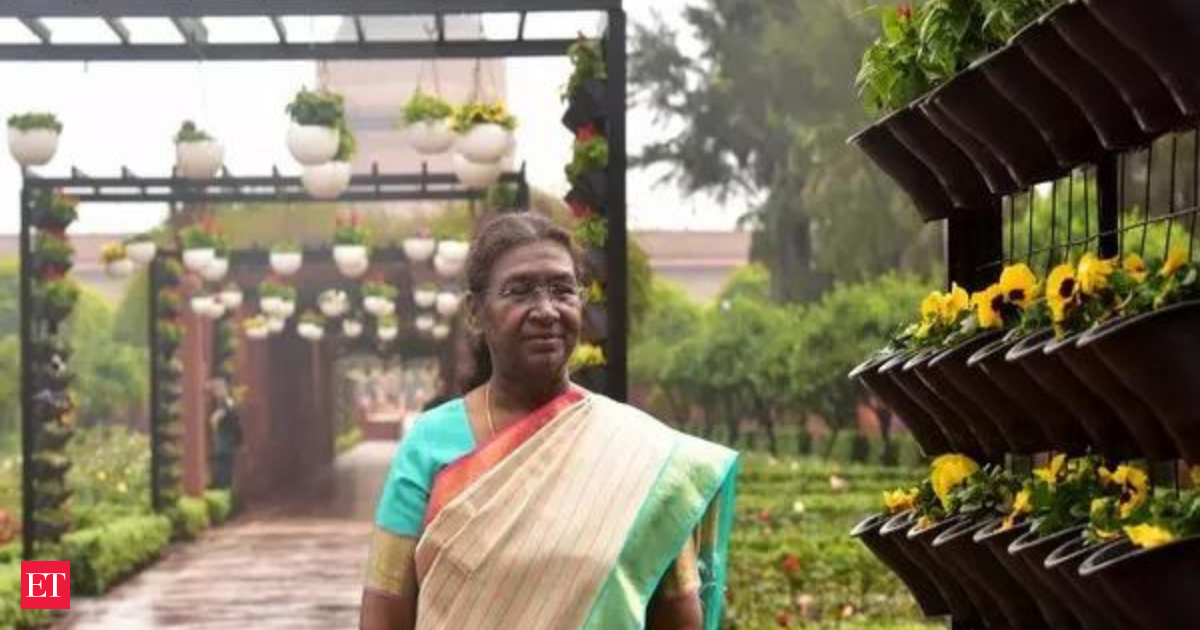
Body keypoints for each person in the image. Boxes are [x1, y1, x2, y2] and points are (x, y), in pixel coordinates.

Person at [359, 214, 739, 630]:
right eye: (519, 291)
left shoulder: (641, 454)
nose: (545, 310)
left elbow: (680, 617)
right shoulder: (430, 444)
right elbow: (385, 612)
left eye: (562, 290)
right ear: (475, 312)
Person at [206, 378, 242, 492]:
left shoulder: (225, 402)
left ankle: (223, 490)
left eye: (216, 389)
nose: (215, 393)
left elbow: (214, 419)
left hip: (225, 438)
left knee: (222, 466)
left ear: (222, 389)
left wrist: (214, 427)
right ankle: (225, 491)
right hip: (229, 439)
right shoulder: (228, 401)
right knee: (225, 466)